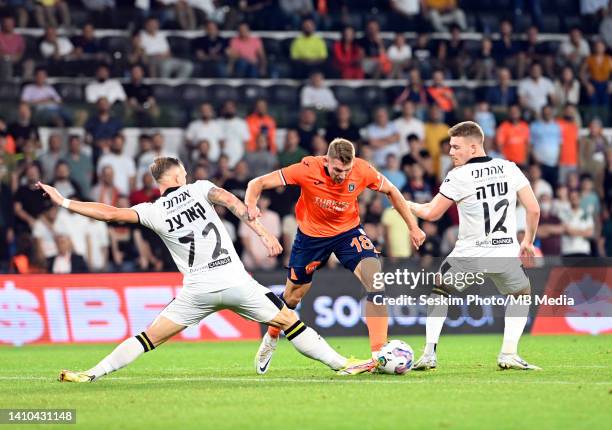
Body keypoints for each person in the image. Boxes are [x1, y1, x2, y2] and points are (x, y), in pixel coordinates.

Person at [38, 157, 375, 383]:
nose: (185, 174)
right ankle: (342, 364)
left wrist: (64, 202)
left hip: (197, 290)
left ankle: (91, 374)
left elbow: (110, 213)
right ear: (174, 175)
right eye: (181, 170)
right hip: (235, 279)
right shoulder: (200, 189)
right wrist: (263, 233)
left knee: (147, 338)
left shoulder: (152, 211)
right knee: (289, 322)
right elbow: (234, 203)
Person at [245, 138, 425, 374]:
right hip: (311, 238)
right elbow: (256, 183)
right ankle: (271, 337)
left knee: (376, 281)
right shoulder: (306, 168)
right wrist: (251, 204)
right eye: (338, 170)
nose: (342, 175)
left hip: (347, 233)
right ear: (326, 160)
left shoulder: (362, 170)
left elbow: (392, 190)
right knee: (292, 297)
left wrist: (413, 226)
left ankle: (378, 354)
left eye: (346, 170)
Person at [409, 121, 542, 370]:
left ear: (473, 147)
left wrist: (405, 204)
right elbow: (533, 208)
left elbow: (431, 213)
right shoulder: (509, 168)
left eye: (455, 147)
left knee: (440, 291)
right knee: (521, 294)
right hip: (505, 253)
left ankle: (428, 354)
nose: (450, 152)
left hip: (470, 254)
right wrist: (528, 241)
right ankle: (509, 354)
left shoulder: (458, 176)